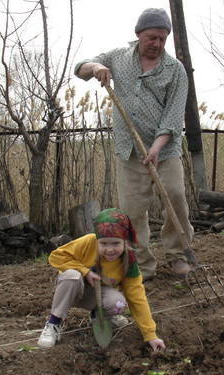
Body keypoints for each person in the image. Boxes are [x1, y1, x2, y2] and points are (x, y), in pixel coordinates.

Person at [75, 8, 194, 280]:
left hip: (165, 149)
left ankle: (178, 256)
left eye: (163, 39)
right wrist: (96, 67)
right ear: (139, 34)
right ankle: (143, 264)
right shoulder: (118, 59)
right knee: (132, 210)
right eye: (152, 37)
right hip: (129, 149)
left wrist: (156, 147)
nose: (157, 44)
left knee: (175, 195)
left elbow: (174, 117)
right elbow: (81, 67)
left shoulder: (175, 71)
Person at [37, 208, 166, 351]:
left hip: (97, 296)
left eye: (116, 243)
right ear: (97, 240)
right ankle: (54, 323)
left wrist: (150, 335)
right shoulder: (88, 241)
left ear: (125, 241)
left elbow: (137, 297)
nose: (109, 250)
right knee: (71, 275)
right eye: (104, 244)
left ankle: (98, 316)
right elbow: (56, 256)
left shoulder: (128, 261)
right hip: (73, 290)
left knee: (118, 303)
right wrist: (85, 271)